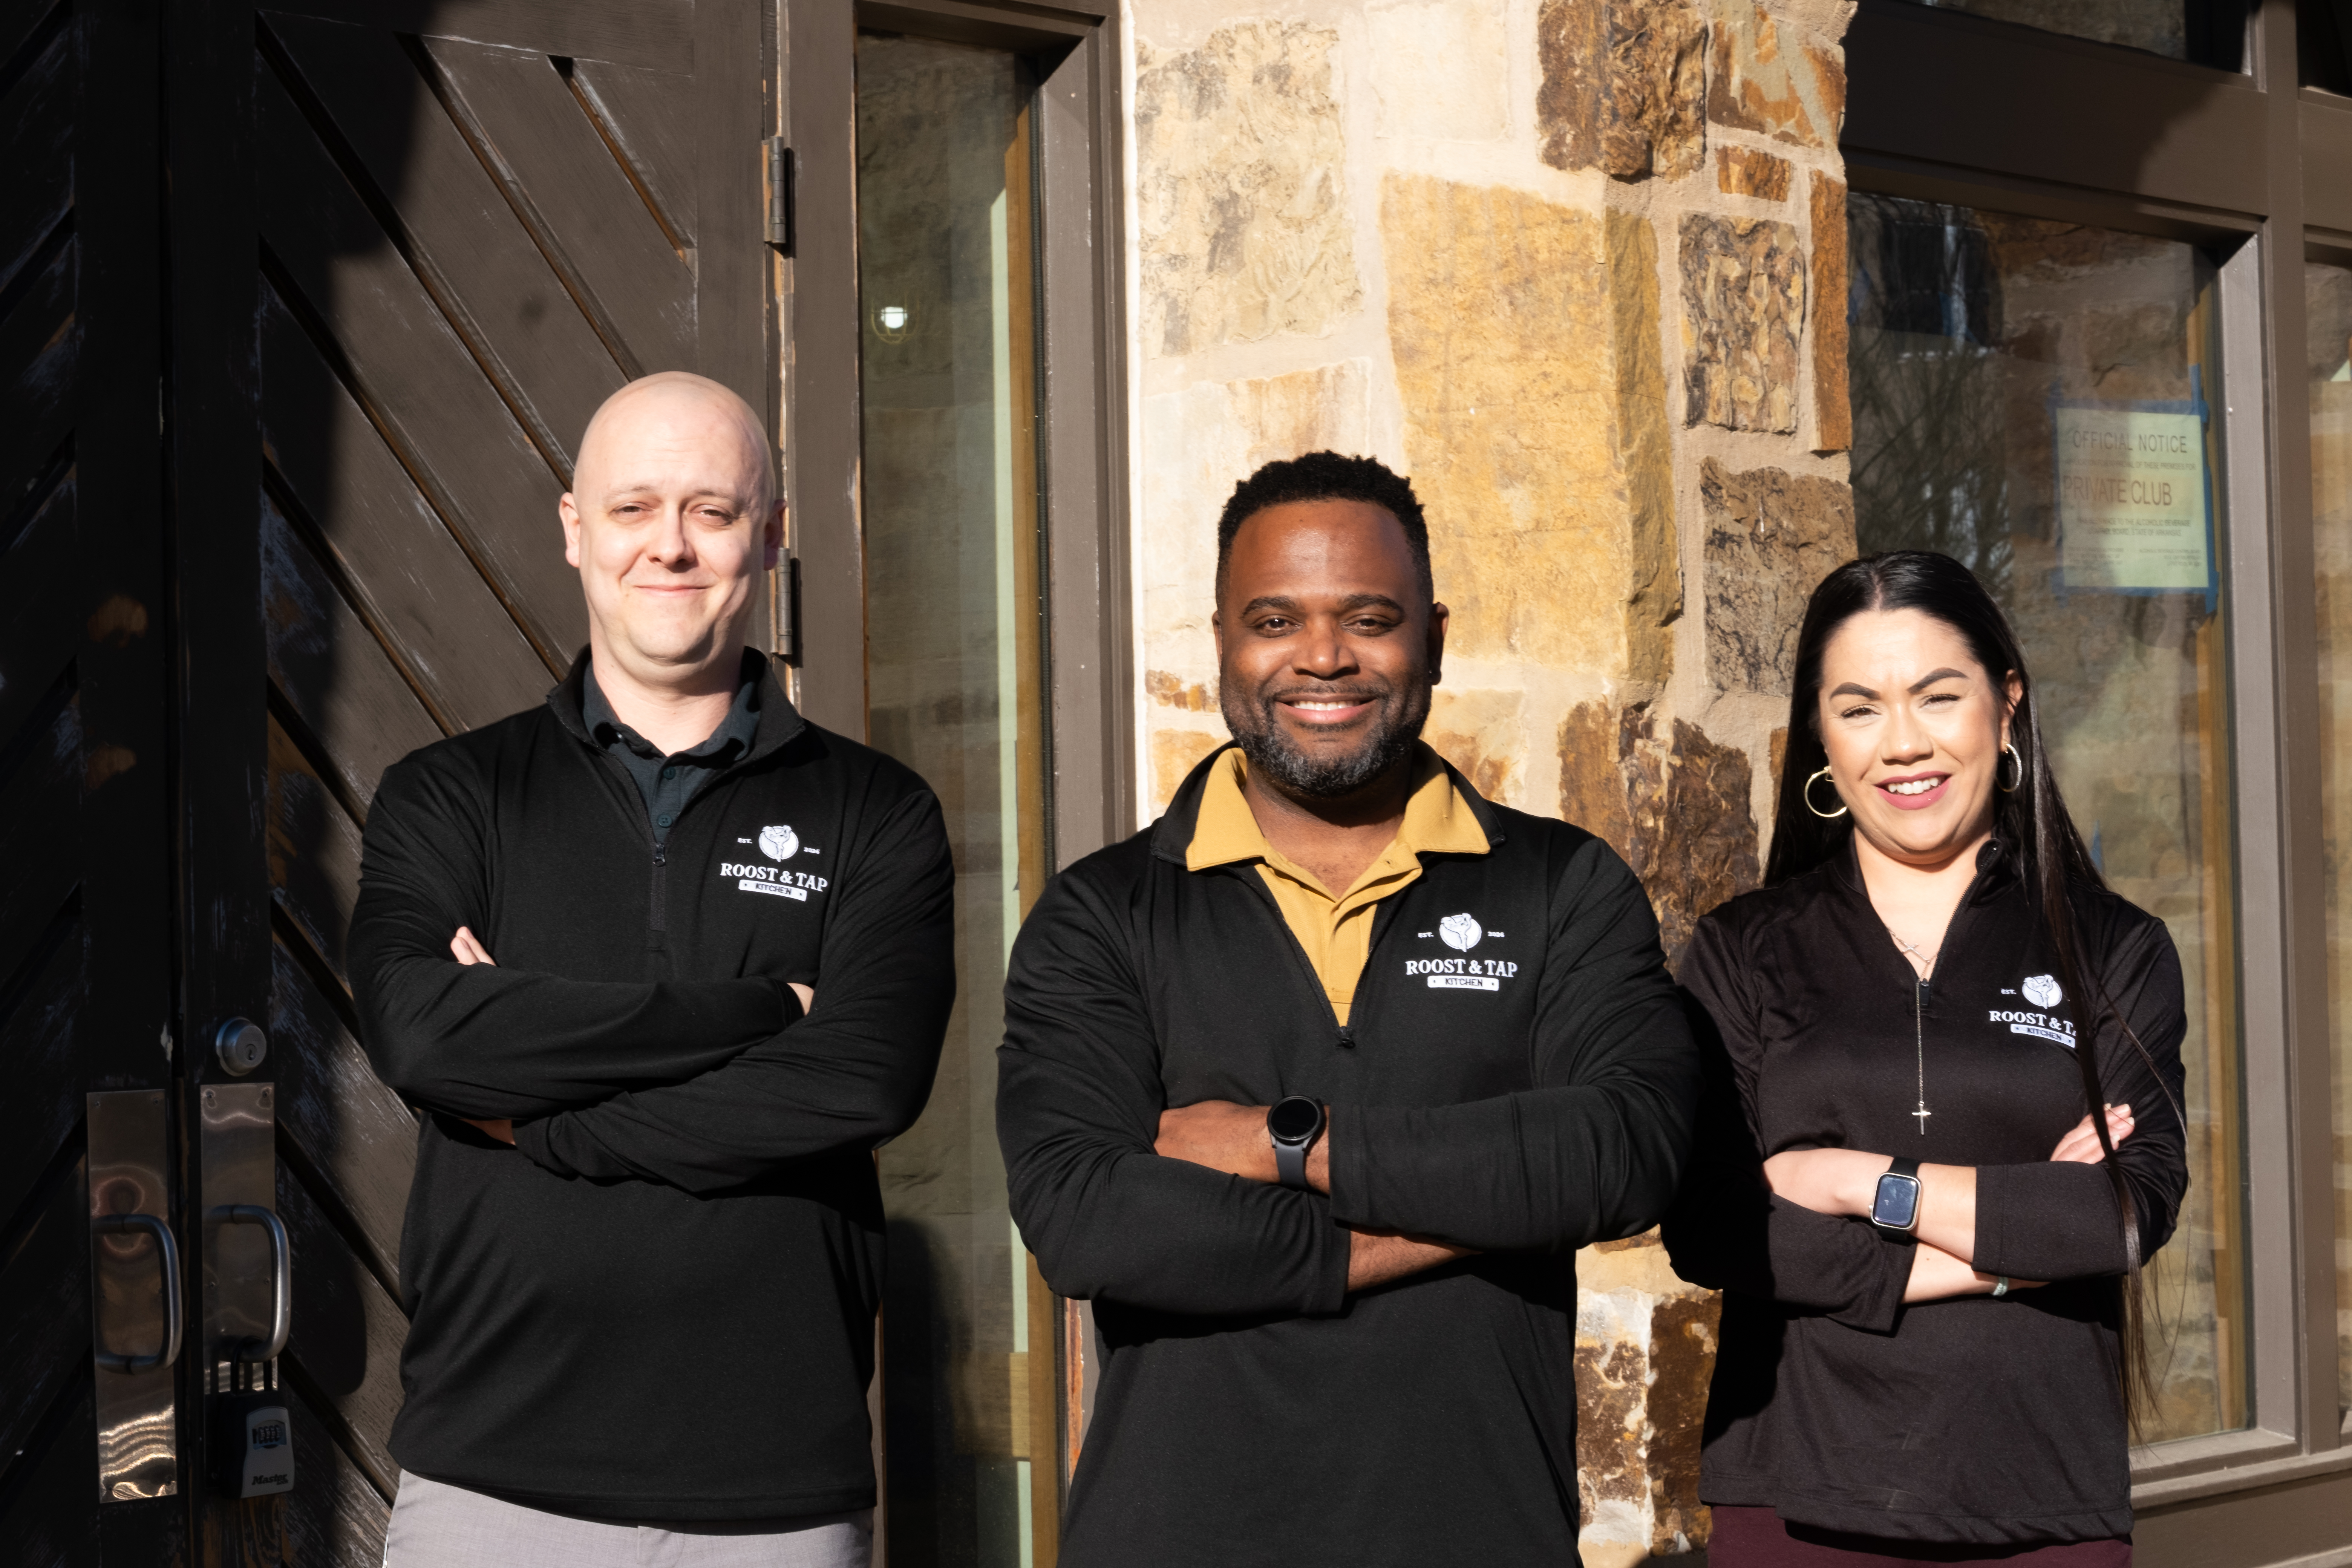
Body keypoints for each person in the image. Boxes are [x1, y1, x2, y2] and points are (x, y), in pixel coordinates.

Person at [995, 452, 1700, 1565]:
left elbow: (1624, 1152)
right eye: (1275, 618)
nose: (1322, 656)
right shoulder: (1104, 915)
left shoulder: (1562, 886)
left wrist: (1292, 1145)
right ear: (1222, 638)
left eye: (1368, 617)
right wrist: (1492, 1201)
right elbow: (1091, 1223)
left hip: (1479, 1534)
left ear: (1435, 635)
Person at [351, 372, 955, 1567]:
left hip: (776, 1492)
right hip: (491, 1479)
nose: (668, 548)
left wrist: (540, 1113)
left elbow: (864, 1082)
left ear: (772, 537)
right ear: (575, 529)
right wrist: (764, 1013)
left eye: (712, 512)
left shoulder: (877, 812)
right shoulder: (452, 795)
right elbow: (423, 1037)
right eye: (631, 510)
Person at [1661, 551, 2190, 1566]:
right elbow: (1717, 1229)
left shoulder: (2111, 948)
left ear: (2006, 701)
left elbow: (2123, 1213)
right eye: (1859, 708)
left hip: (2044, 1506)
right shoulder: (1741, 948)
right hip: (1794, 1498)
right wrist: (2010, 1251)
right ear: (1819, 734)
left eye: (1938, 697)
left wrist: (1849, 1179)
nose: (1903, 744)